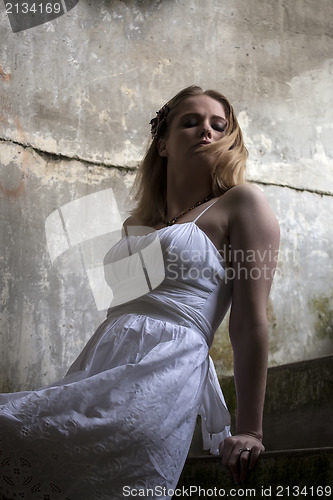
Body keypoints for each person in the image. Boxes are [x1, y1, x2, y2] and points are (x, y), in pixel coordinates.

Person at [0, 85, 280, 499]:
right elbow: (127, 313)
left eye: (218, 125)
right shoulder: (136, 223)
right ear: (163, 144)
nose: (206, 130)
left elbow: (250, 321)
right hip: (99, 367)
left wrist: (250, 430)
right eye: (191, 122)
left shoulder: (242, 204)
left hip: (161, 377)